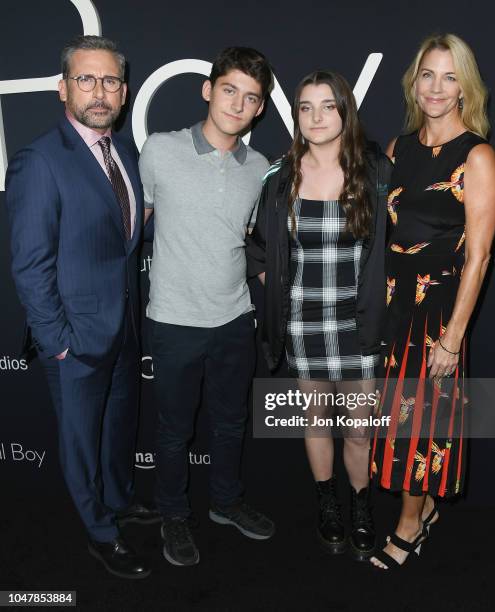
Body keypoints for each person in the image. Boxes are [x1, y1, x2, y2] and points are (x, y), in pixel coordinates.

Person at [6, 35, 159, 579]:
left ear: (124, 90)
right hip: (74, 340)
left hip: (123, 331)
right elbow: (29, 265)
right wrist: (60, 342)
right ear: (62, 87)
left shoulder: (125, 154)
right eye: (86, 79)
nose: (99, 91)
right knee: (79, 440)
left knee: (119, 429)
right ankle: (99, 531)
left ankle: (118, 500)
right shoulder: (38, 162)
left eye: (110, 81)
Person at [369, 33, 495, 569]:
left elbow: (481, 256)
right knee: (398, 418)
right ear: (414, 81)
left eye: (450, 76)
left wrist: (453, 337)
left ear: (465, 87)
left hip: (438, 315)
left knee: (420, 423)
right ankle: (421, 511)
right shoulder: (398, 148)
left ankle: (410, 523)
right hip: (393, 307)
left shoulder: (478, 156)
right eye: (428, 74)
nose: (437, 87)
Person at [139, 46, 276, 567]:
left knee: (230, 421)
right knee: (174, 431)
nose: (238, 104)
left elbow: (249, 241)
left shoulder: (259, 167)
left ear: (260, 108)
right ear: (208, 89)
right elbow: (137, 222)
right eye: (229, 90)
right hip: (174, 319)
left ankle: (226, 501)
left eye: (251, 97)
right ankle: (174, 515)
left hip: (235, 318)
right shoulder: (159, 149)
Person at [247, 71, 392, 560]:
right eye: (305, 107)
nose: (316, 117)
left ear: (345, 111)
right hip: (303, 324)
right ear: (295, 116)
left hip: (359, 322)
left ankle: (362, 505)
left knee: (357, 428)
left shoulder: (376, 170)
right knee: (315, 422)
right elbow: (260, 250)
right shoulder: (281, 174)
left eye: (327, 106)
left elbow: (399, 246)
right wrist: (280, 293)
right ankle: (327, 504)